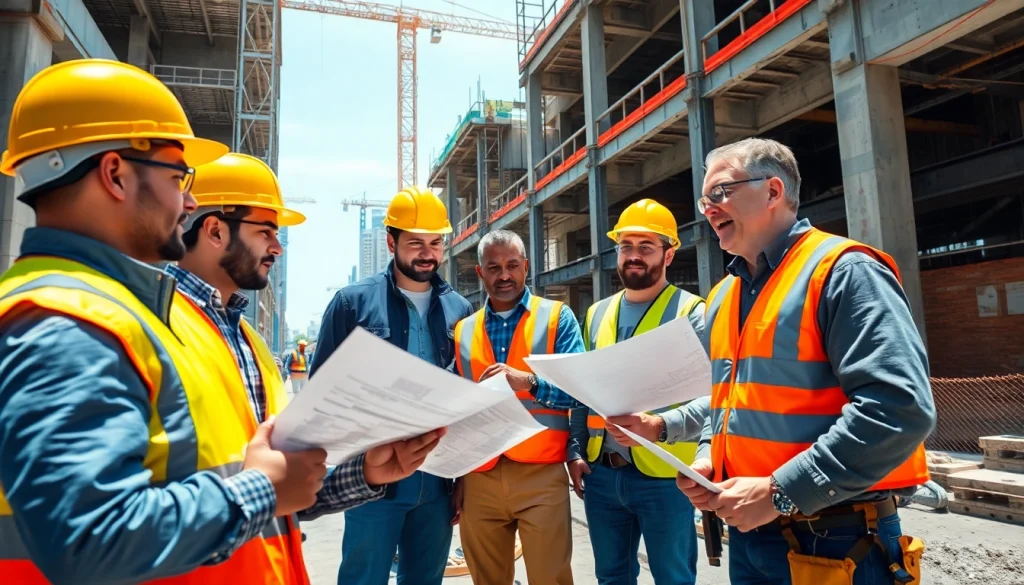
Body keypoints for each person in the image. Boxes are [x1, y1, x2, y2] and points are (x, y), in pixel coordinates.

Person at [0, 59, 322, 584]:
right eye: (178, 178)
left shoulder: (133, 312)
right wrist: (259, 491)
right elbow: (89, 537)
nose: (191, 200)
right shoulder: (64, 321)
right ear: (115, 174)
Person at [677, 137, 935, 585]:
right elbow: (725, 404)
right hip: (752, 538)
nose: (709, 209)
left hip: (838, 540)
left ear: (774, 191)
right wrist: (706, 461)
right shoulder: (725, 296)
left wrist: (780, 492)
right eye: (705, 200)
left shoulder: (844, 271)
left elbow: (899, 410)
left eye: (720, 193)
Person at [171, 152, 446, 531]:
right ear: (215, 231)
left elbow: (288, 494)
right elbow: (103, 526)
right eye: (265, 232)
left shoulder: (249, 342)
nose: (277, 247)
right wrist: (260, 492)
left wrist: (365, 474)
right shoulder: (155, 327)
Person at [311, 186, 474, 585]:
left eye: (436, 243)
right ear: (391, 241)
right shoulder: (352, 303)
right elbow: (320, 393)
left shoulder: (461, 310)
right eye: (415, 242)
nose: (427, 253)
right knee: (362, 579)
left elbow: (466, 399)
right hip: (371, 480)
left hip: (436, 482)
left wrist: (463, 479)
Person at [567, 199, 706, 585]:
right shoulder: (597, 313)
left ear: (669, 252)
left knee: (673, 578)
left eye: (646, 248)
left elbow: (714, 397)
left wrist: (661, 425)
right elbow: (584, 390)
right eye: (626, 247)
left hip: (666, 477)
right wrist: (576, 449)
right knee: (611, 577)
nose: (634, 256)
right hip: (603, 476)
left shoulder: (692, 313)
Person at [452, 230, 584, 585]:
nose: (504, 275)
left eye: (512, 265)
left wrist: (529, 382)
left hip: (541, 475)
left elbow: (582, 391)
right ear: (480, 274)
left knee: (550, 578)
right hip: (479, 478)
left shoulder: (557, 318)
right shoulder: (463, 332)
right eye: (493, 267)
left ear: (526, 267)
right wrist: (458, 478)